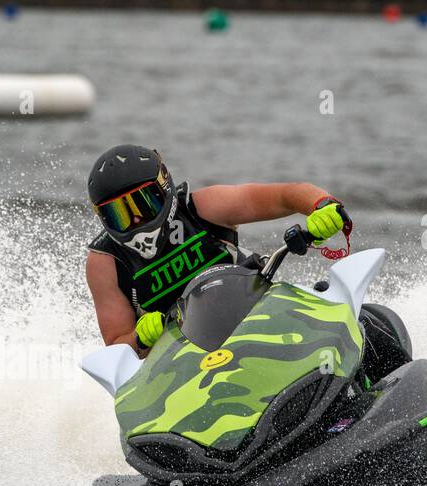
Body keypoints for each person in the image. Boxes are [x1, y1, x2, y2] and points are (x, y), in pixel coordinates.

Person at [85, 144, 350, 355]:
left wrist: (322, 205)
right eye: (119, 215)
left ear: (163, 188)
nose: (136, 222)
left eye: (143, 205)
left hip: (255, 319)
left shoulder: (203, 207)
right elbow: (117, 347)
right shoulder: (105, 264)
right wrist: (140, 338)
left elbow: (286, 195)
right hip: (185, 360)